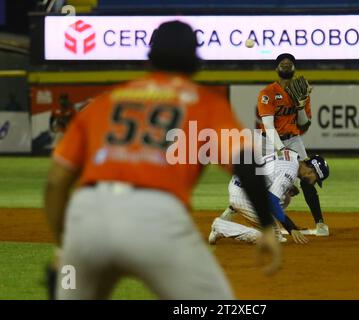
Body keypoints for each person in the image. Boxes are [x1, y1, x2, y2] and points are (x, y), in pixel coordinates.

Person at [44, 20, 281, 300]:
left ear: (150, 58)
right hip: (156, 219)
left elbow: (57, 181)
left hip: (86, 221)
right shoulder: (204, 103)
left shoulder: (106, 101)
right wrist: (266, 225)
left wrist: (66, 246)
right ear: (195, 61)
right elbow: (245, 162)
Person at [256, 53, 329, 236]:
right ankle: (229, 214)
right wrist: (281, 150)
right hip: (268, 140)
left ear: (295, 68)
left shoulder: (301, 90)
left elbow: (304, 125)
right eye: (283, 63)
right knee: (256, 180)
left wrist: (300, 106)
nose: (286, 65)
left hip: (293, 138)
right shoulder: (267, 93)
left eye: (290, 64)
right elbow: (268, 126)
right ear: (276, 69)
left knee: (307, 174)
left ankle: (320, 223)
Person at [209, 151, 329, 245]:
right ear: (312, 171)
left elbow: (272, 170)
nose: (313, 183)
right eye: (316, 179)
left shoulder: (292, 155)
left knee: (277, 235)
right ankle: (220, 227)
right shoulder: (290, 171)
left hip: (244, 185)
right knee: (270, 237)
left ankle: (255, 219)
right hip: (242, 193)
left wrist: (287, 186)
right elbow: (272, 200)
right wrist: (291, 227)